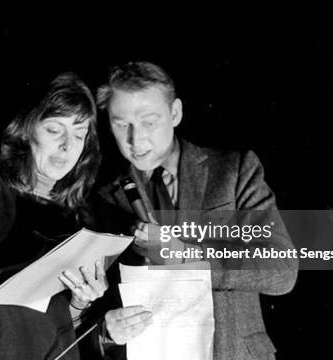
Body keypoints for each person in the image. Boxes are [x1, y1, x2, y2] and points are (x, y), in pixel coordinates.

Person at [92, 61, 299, 360]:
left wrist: (186, 256)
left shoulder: (234, 170)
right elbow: (100, 312)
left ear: (175, 113)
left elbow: (282, 272)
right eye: (122, 125)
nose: (136, 141)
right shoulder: (102, 199)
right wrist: (106, 331)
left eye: (149, 121)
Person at [0, 72, 108, 360]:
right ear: (27, 129)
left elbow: (60, 319)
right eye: (54, 130)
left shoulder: (79, 211)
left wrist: (79, 300)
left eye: (79, 134)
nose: (67, 146)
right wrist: (23, 277)